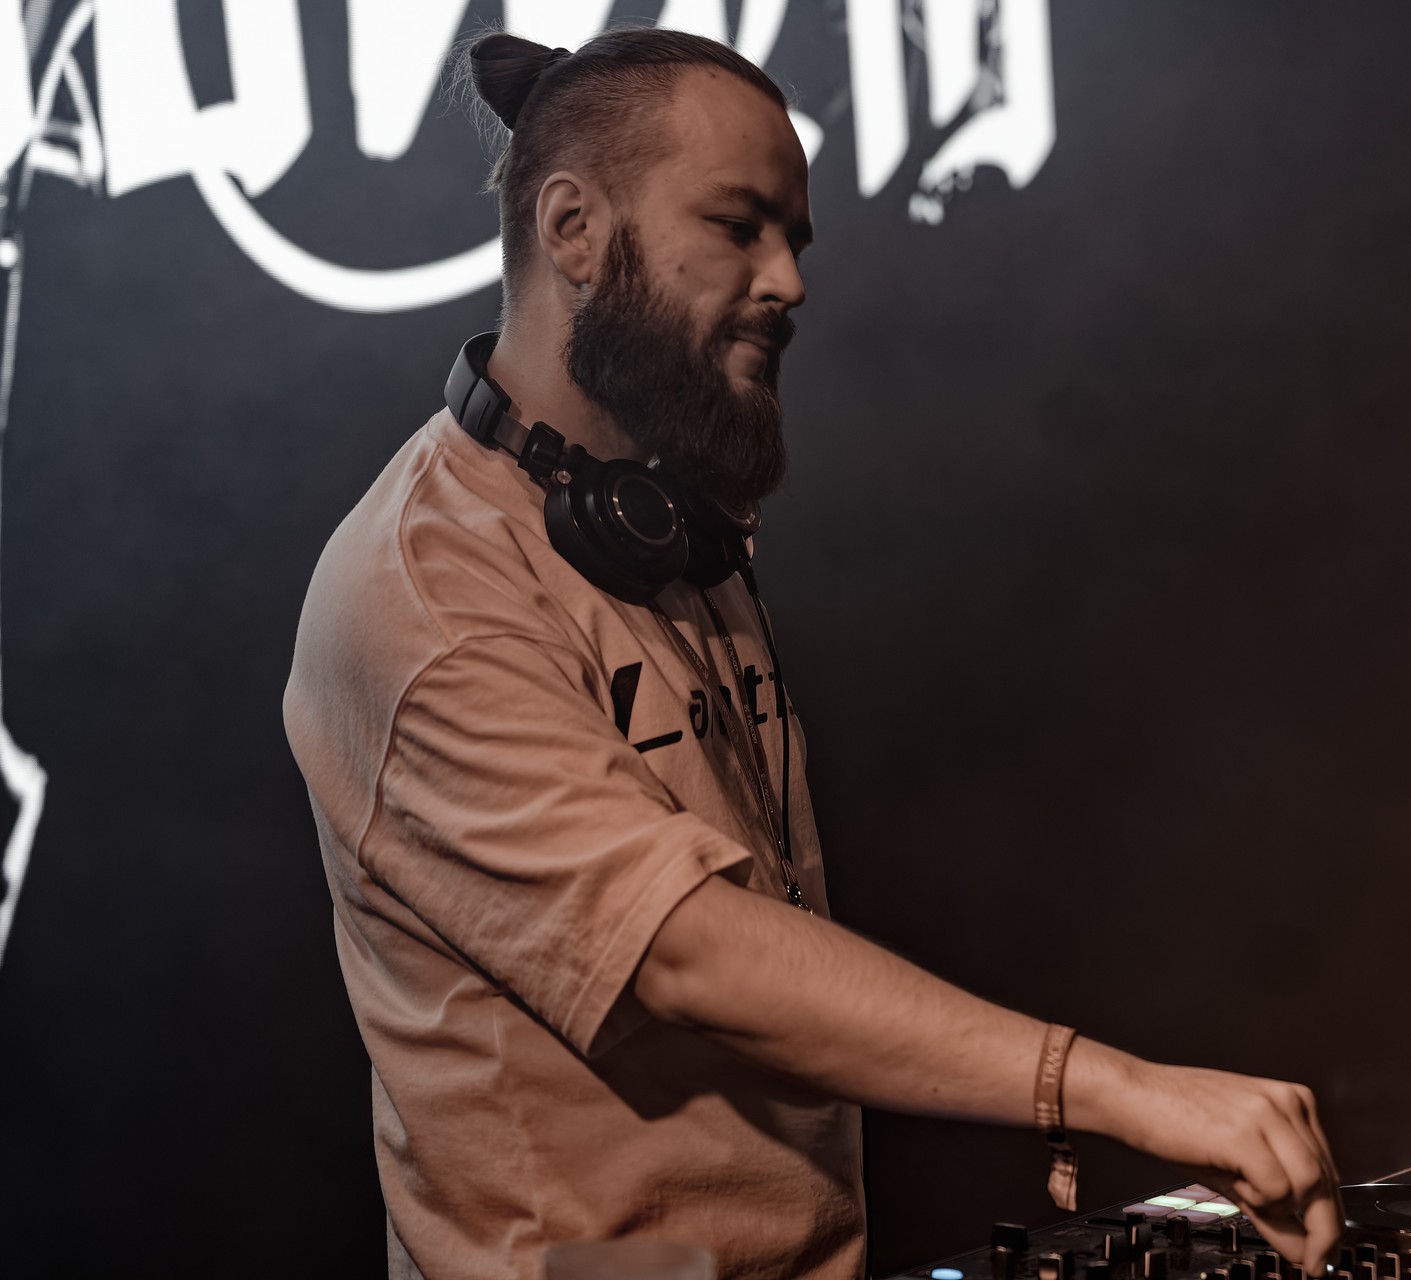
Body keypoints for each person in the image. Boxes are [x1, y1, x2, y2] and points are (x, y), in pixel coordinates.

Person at [284, 26, 1342, 1280]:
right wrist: (1108, 1085)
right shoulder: (424, 592)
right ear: (573, 229)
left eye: (793, 239)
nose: (788, 281)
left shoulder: (669, 530)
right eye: (739, 226)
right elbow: (682, 948)